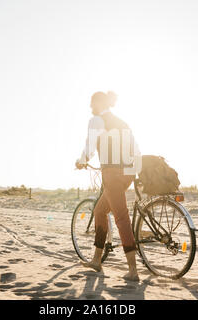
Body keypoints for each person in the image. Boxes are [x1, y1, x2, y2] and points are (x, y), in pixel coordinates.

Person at [75, 91, 141, 282]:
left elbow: (89, 147)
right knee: (99, 211)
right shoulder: (122, 122)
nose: (90, 107)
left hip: (112, 173)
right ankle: (96, 260)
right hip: (128, 172)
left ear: (98, 103)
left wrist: (81, 161)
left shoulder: (96, 120)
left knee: (121, 216)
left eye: (91, 103)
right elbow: (136, 149)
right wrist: (133, 171)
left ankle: (133, 270)